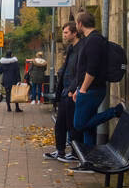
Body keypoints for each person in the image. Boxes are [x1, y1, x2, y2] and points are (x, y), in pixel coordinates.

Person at [69, 10, 123, 169]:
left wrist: (83, 89)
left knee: (79, 124)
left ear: (79, 24)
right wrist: (78, 88)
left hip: (91, 89)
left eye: (76, 24)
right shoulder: (91, 40)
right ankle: (89, 161)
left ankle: (115, 111)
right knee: (88, 128)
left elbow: (91, 69)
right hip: (88, 89)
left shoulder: (94, 41)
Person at [44, 21, 81, 162]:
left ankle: (75, 153)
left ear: (74, 32)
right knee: (60, 124)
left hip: (72, 92)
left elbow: (80, 71)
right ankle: (60, 151)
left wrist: (73, 89)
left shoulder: (80, 48)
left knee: (72, 124)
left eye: (66, 32)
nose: (64, 35)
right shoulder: (71, 48)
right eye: (63, 33)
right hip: (65, 91)